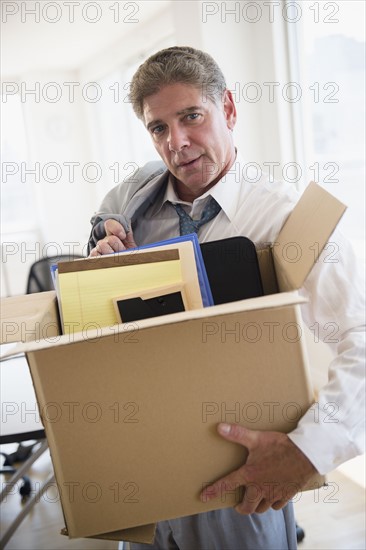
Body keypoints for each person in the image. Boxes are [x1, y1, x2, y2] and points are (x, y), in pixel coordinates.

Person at [87, 47, 365, 549]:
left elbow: (361, 335)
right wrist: (101, 250)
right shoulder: (135, 206)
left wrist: (309, 451)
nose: (178, 142)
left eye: (191, 116)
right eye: (158, 128)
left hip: (240, 486)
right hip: (146, 476)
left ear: (229, 110)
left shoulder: (285, 219)